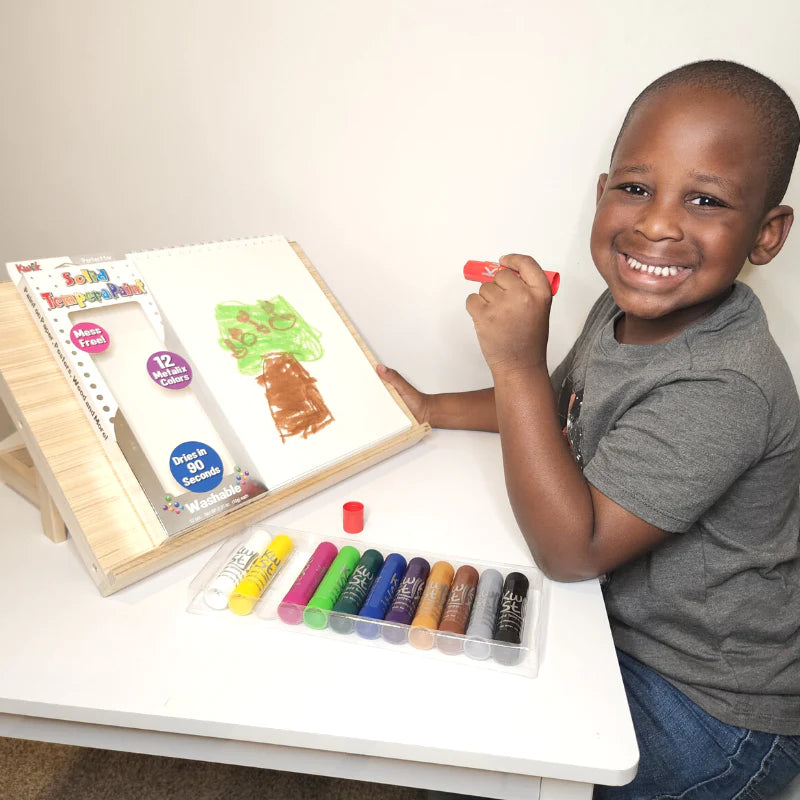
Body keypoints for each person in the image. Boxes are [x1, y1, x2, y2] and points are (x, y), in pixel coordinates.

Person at [380, 60, 800, 799]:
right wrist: (430, 406)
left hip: (710, 708)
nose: (657, 222)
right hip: (613, 628)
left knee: (522, 768)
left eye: (705, 199)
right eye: (636, 188)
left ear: (766, 236)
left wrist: (513, 361)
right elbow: (557, 405)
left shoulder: (723, 382)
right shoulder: (627, 306)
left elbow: (575, 550)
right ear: (602, 195)